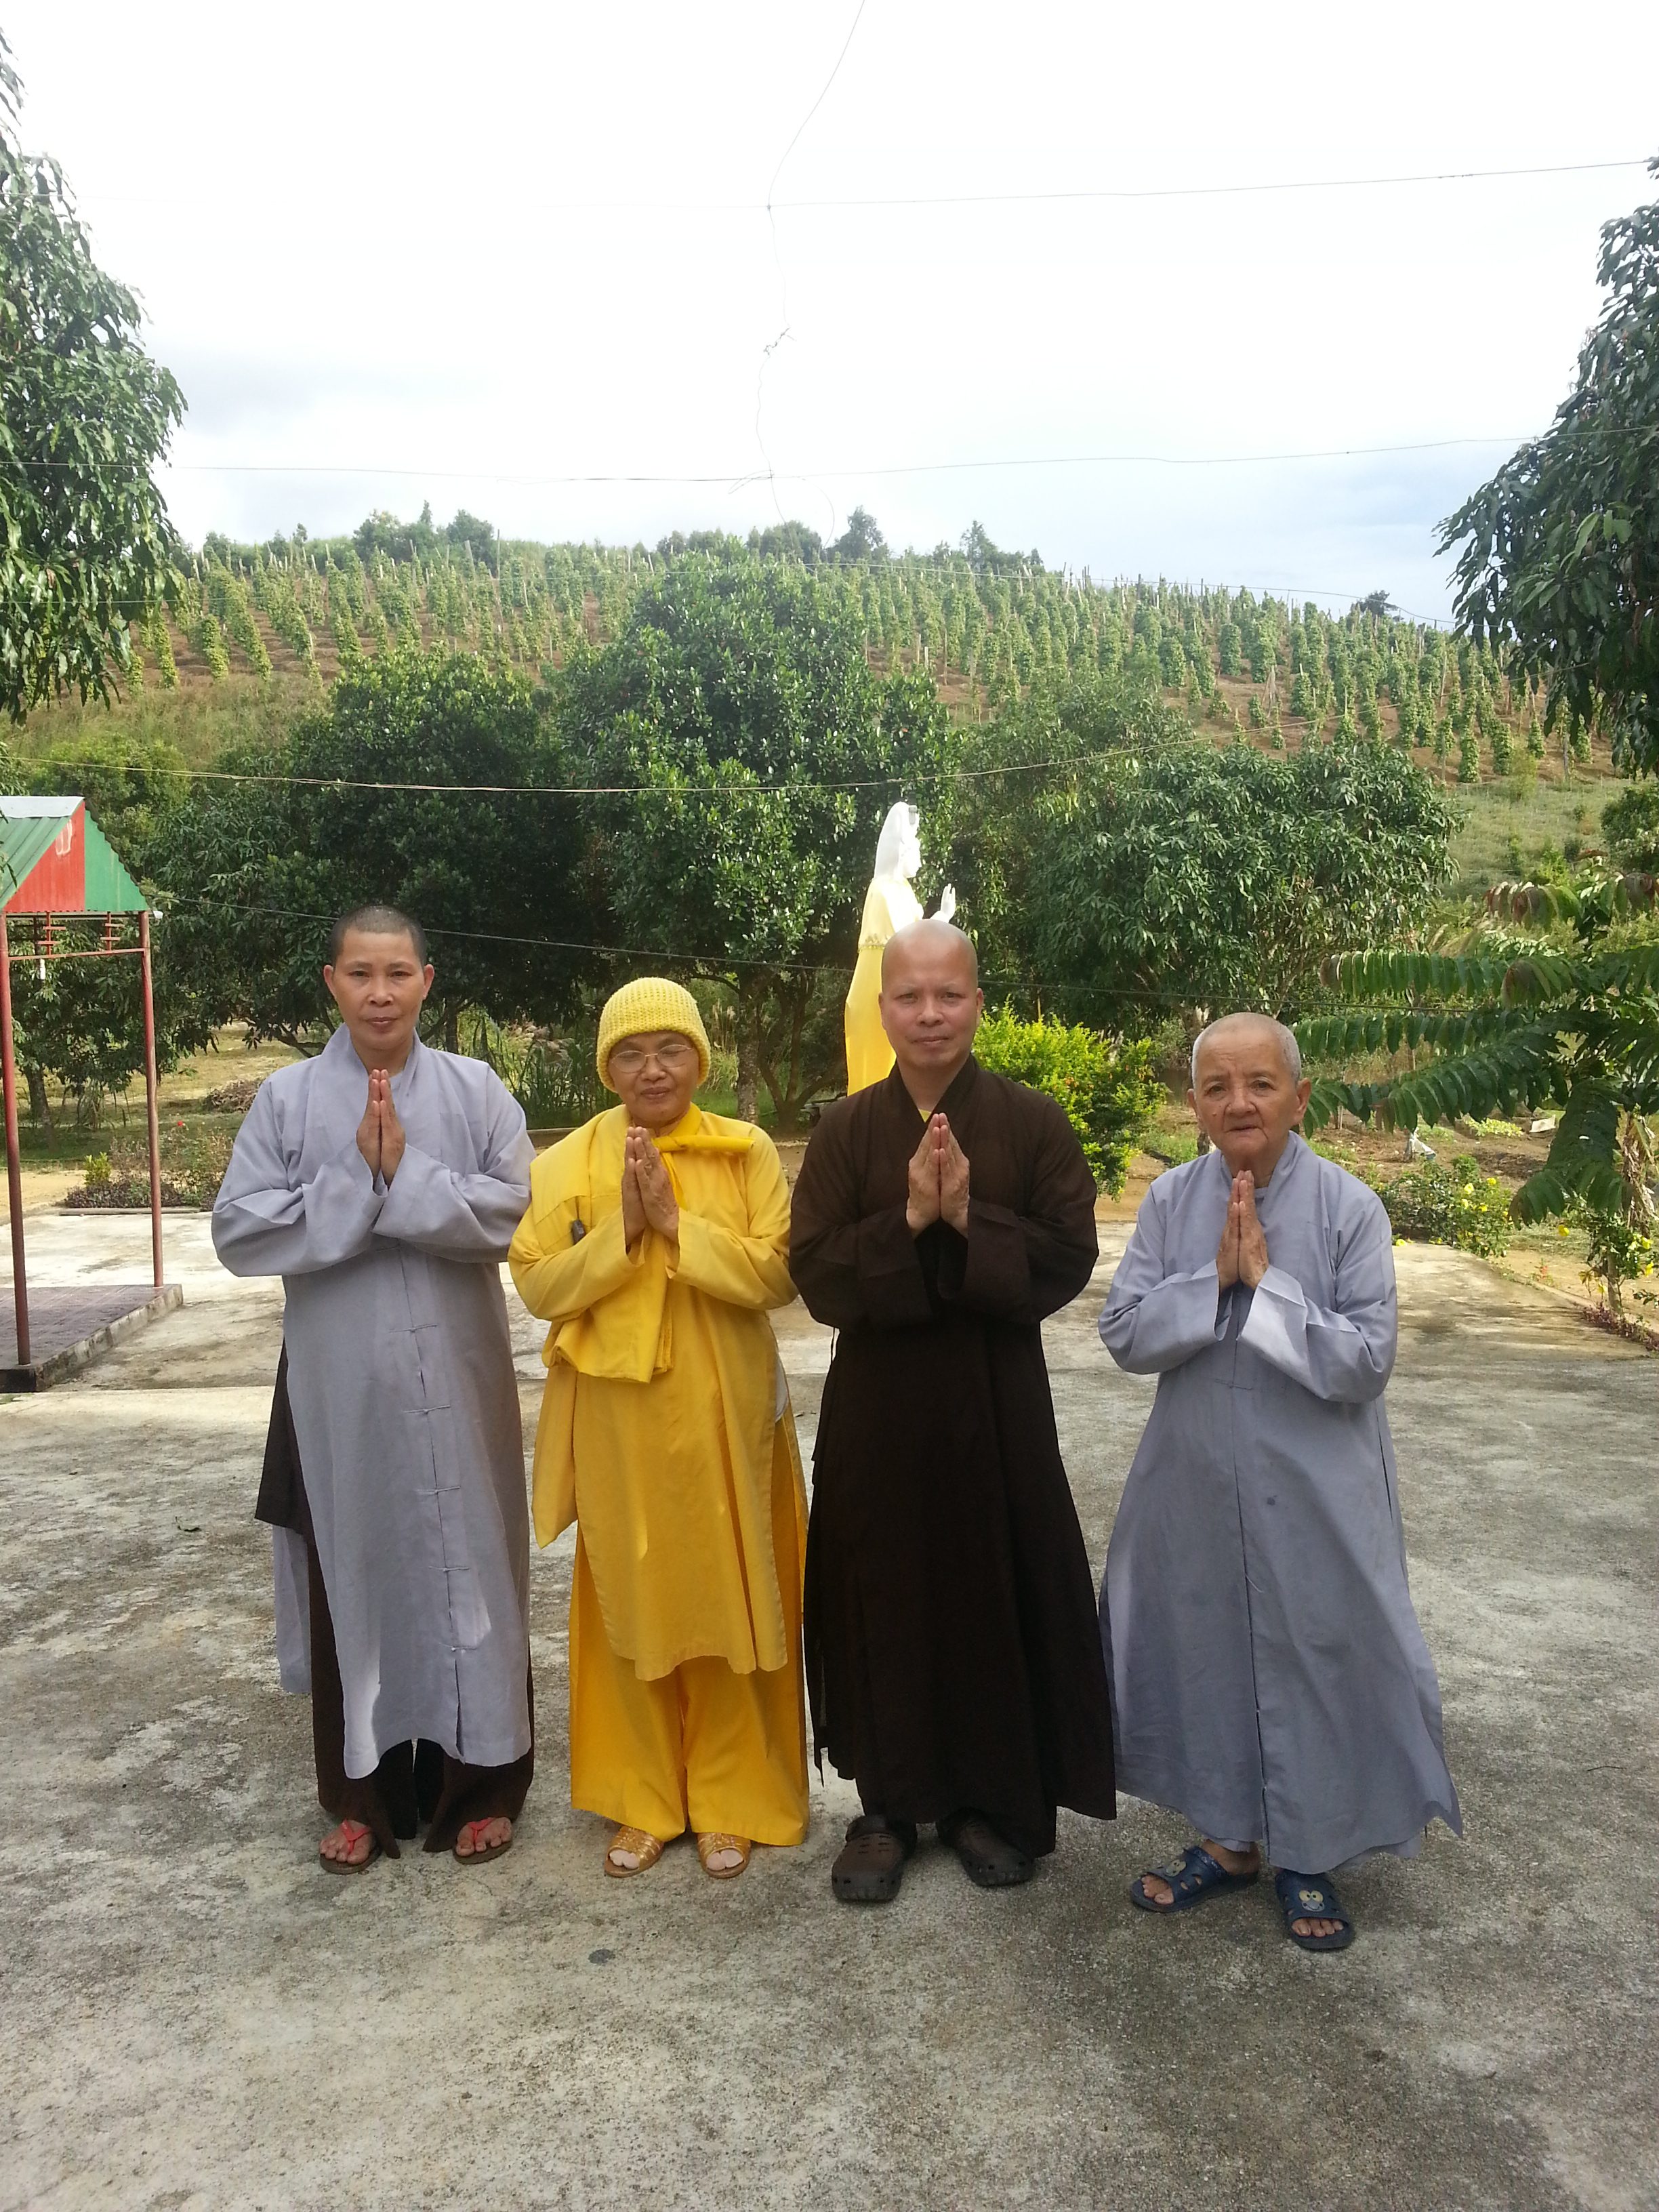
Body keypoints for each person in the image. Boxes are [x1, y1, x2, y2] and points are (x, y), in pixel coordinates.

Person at [1099, 1012, 1462, 1952]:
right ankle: (1229, 1842)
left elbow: (1367, 1359)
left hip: (1316, 1487)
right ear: (1193, 1105)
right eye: (1216, 1087)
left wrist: (1264, 1283)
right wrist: (1210, 1280)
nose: (1239, 1103)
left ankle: (1309, 1850)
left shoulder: (1350, 1208)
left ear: (1300, 1099)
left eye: (1260, 1083)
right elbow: (1125, 1332)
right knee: (1207, 1649)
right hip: (1194, 1480)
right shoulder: (1170, 1201)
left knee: (1322, 1653)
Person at [791, 918, 1116, 1903]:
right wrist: (908, 1221)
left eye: (948, 995)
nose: (929, 1014)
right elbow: (815, 1274)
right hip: (879, 1410)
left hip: (996, 1402)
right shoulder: (846, 1130)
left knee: (991, 1585)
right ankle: (888, 1808)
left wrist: (971, 1218)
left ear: (978, 1002)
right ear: (882, 1007)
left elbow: (1070, 1254)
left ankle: (988, 1801)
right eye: (909, 996)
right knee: (882, 1589)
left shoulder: (1033, 1121)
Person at [213, 906, 535, 1872]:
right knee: (354, 1569)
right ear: (332, 982)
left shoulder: (477, 1090)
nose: (380, 993)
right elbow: (239, 1229)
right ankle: (362, 1798)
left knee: (471, 1572)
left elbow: (516, 1211)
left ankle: (482, 1789)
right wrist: (359, 1180)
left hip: (461, 1386)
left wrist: (408, 1173)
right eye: (361, 974)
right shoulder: (286, 1100)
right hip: (342, 1389)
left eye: (398, 973)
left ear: (427, 981)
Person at [509, 977, 808, 1881]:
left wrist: (678, 1227)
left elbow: (780, 1273)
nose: (652, 1069)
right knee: (632, 1607)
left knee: (731, 1600)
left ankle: (732, 1799)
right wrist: (623, 1235)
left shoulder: (745, 1153)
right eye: (631, 1054)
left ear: (700, 1061)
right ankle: (642, 1802)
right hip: (619, 1419)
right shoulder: (566, 1164)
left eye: (671, 1050)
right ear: (607, 1069)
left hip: (727, 1417)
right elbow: (537, 1283)